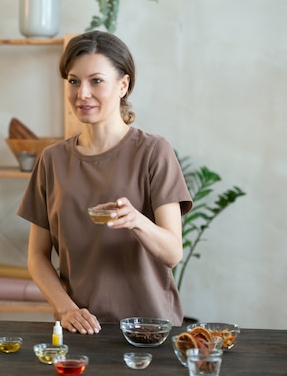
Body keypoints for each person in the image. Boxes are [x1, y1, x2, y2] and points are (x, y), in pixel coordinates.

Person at [18, 31, 193, 335]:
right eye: (74, 81)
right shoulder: (52, 161)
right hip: (80, 329)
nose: (82, 93)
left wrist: (136, 221)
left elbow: (172, 253)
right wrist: (66, 308)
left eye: (96, 81)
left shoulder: (154, 152)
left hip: (150, 330)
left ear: (123, 85)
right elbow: (37, 257)